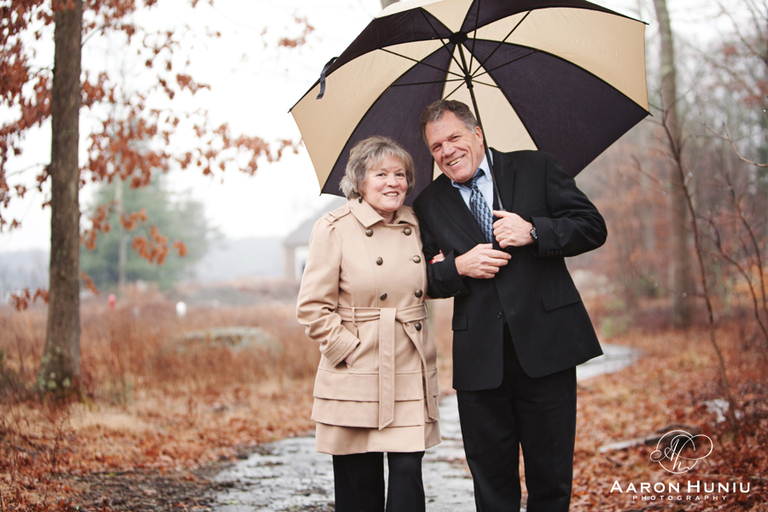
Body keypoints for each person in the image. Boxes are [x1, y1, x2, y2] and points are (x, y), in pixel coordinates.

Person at [412, 99, 606, 512]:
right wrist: (460, 267)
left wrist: (535, 231)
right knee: (491, 483)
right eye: (435, 147)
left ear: (477, 133)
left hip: (547, 347)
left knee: (551, 479)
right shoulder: (427, 204)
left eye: (453, 138)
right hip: (480, 358)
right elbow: (422, 280)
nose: (446, 151)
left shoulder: (537, 168)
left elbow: (592, 227)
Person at [296, 135, 440, 512]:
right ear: (359, 181)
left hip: (408, 362)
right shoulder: (334, 227)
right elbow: (312, 306)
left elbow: (433, 278)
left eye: (401, 174)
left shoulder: (418, 223)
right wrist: (348, 349)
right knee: (358, 482)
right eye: (382, 174)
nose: (394, 182)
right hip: (355, 369)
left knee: (408, 470)